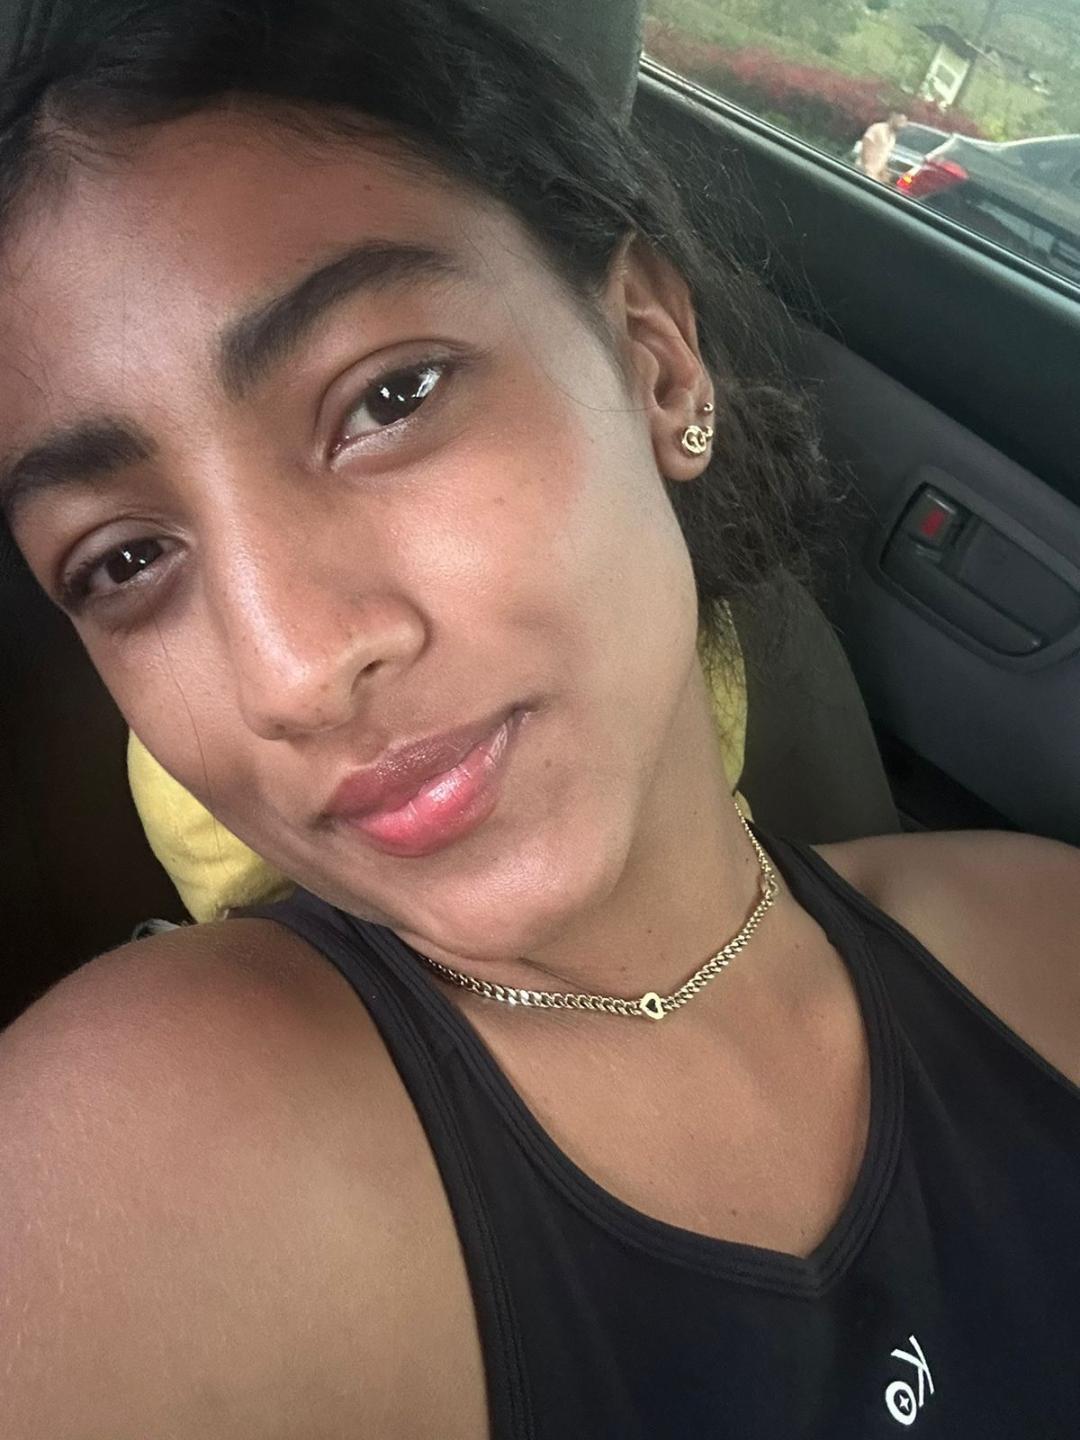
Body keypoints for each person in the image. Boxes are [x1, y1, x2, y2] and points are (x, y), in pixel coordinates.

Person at [0, 3, 1076, 1437]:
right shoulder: (142, 1159)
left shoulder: (1042, 949)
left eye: (387, 398)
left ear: (655, 358)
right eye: (125, 560)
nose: (292, 671)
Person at [856, 109, 908, 182]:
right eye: (900, 121)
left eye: (903, 123)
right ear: (893, 116)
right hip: (864, 171)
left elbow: (883, 156)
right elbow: (865, 145)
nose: (901, 125)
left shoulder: (892, 138)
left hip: (874, 175)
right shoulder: (878, 128)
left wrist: (883, 173)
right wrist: (865, 167)